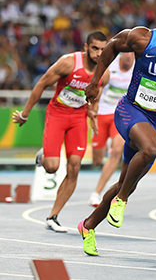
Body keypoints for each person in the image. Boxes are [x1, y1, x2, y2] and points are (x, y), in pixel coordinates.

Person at [78, 0, 156, 256]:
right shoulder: (142, 38)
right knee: (151, 149)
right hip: (130, 110)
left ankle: (89, 225)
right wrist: (95, 82)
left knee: (127, 181)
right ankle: (121, 200)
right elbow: (112, 46)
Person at [12, 31, 109, 232]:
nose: (99, 53)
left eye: (102, 49)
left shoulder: (104, 74)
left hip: (78, 119)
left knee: (74, 166)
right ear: (85, 47)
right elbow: (42, 83)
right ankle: (44, 155)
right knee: (52, 167)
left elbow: (95, 96)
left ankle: (53, 216)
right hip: (57, 114)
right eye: (95, 48)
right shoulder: (68, 63)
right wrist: (25, 113)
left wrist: (93, 113)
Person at [89, 51, 135, 207]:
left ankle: (96, 193)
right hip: (102, 114)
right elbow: (98, 88)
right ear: (122, 55)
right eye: (126, 52)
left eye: (132, 53)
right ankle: (104, 147)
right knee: (96, 161)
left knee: (116, 152)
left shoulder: (137, 69)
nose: (129, 56)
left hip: (121, 115)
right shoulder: (111, 67)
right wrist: (93, 110)